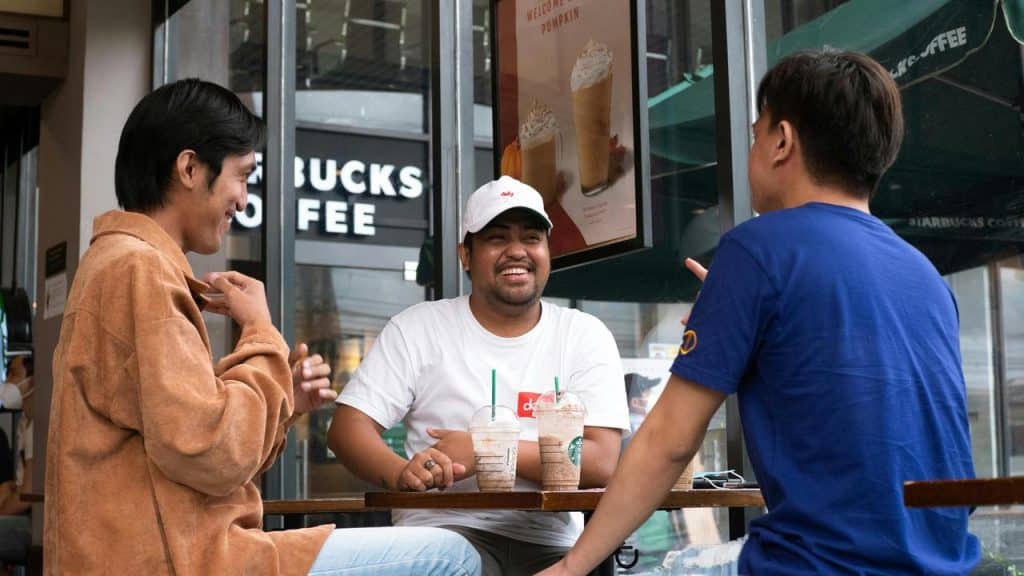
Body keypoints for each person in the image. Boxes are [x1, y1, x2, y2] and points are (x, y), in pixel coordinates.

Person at [539, 50, 980, 575]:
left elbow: (668, 442)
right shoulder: (925, 276)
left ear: (781, 141)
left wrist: (571, 568)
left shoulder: (757, 250)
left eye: (754, 133)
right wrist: (733, 309)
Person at [45, 78, 480, 576]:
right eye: (242, 176)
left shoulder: (116, 263)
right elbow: (212, 451)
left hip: (166, 552)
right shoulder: (139, 269)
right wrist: (258, 330)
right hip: (186, 560)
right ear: (189, 168)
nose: (245, 200)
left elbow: (189, 445)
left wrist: (285, 399)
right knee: (447, 555)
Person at [328, 175, 630, 576]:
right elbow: (347, 429)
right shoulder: (419, 327)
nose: (517, 251)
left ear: (547, 251)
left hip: (550, 544)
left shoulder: (582, 335)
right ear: (465, 255)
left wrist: (485, 450)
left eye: (531, 237)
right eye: (497, 239)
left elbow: (602, 461)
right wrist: (400, 471)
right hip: (444, 533)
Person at [0, 355, 33, 574]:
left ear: (31, 380)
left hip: (33, 521)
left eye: (13, 373)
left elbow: (28, 492)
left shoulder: (38, 425)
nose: (7, 381)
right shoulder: (24, 423)